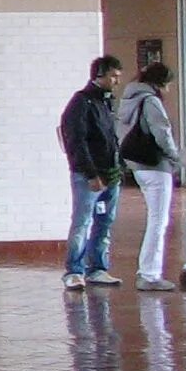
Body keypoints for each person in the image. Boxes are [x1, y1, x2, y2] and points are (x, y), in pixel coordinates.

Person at [60, 55, 127, 290]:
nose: (117, 81)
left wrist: (118, 168)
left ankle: (98, 268)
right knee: (82, 222)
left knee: (104, 222)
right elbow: (76, 141)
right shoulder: (81, 103)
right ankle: (74, 270)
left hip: (111, 174)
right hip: (89, 176)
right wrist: (90, 174)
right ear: (99, 75)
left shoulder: (106, 103)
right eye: (113, 76)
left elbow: (110, 138)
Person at [117, 60, 183, 291]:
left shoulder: (129, 98)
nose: (169, 89)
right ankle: (150, 274)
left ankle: (149, 271)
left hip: (137, 165)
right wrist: (176, 156)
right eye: (168, 84)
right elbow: (161, 132)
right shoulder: (151, 101)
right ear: (161, 82)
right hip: (155, 166)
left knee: (155, 218)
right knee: (158, 220)